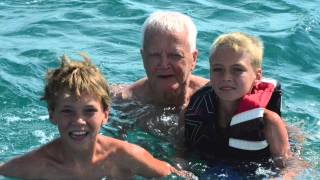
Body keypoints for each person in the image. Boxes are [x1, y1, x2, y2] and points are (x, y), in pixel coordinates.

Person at [0, 54, 183, 180]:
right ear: (51, 114)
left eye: (89, 111)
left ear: (105, 114)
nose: (79, 121)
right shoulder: (35, 167)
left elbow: (176, 175)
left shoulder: (126, 156)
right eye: (67, 111)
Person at [184, 32, 306, 177]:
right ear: (210, 72)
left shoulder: (269, 123)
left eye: (237, 70)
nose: (226, 77)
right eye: (218, 69)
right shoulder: (194, 110)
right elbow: (180, 151)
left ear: (257, 76)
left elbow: (291, 165)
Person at [112, 11, 209, 110]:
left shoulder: (215, 97)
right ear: (143, 58)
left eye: (175, 55)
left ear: (194, 59)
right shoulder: (123, 102)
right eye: (155, 55)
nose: (164, 64)